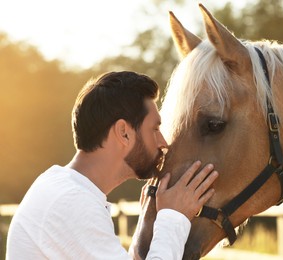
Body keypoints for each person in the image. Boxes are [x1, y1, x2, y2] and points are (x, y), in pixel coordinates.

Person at [6, 71, 218, 259]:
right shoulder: (72, 202)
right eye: (154, 129)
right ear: (123, 132)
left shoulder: (60, 188)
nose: (163, 143)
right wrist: (173, 216)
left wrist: (145, 230)